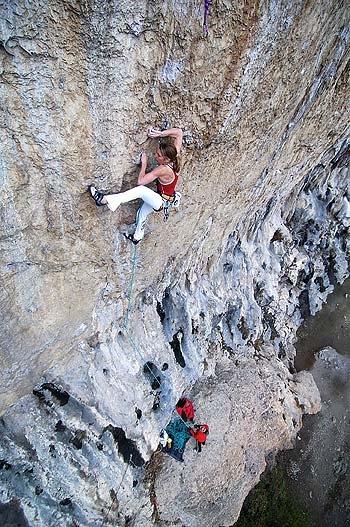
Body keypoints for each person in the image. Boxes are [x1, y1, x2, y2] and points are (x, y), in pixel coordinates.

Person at [88, 126, 183, 244]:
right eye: (156, 152)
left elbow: (141, 182)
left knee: (141, 191)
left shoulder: (163, 169)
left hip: (160, 201)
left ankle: (104, 200)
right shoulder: (175, 155)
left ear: (166, 159)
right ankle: (137, 237)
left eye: (158, 155)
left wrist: (144, 164)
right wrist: (161, 134)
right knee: (142, 213)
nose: (155, 155)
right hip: (164, 199)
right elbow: (179, 133)